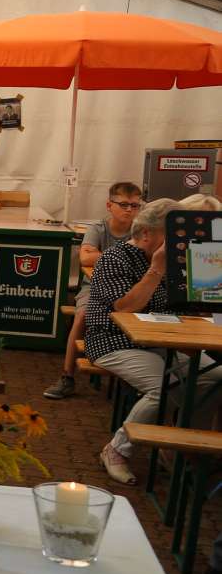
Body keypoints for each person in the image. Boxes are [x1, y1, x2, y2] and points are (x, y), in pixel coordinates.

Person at [84, 198, 222, 484]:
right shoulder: (115, 258)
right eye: (174, 234)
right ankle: (117, 450)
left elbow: (192, 307)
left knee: (216, 377)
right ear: (147, 233)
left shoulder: (180, 259)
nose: (182, 240)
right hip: (112, 340)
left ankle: (181, 448)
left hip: (161, 341)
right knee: (164, 386)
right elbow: (125, 307)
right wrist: (157, 266)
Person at [44, 181, 143, 400]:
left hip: (129, 288)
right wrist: (126, 254)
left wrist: (105, 255)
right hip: (95, 284)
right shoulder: (98, 228)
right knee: (82, 315)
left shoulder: (141, 230)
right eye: (124, 204)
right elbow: (85, 258)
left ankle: (135, 380)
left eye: (135, 206)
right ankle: (67, 376)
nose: (130, 210)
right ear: (109, 205)